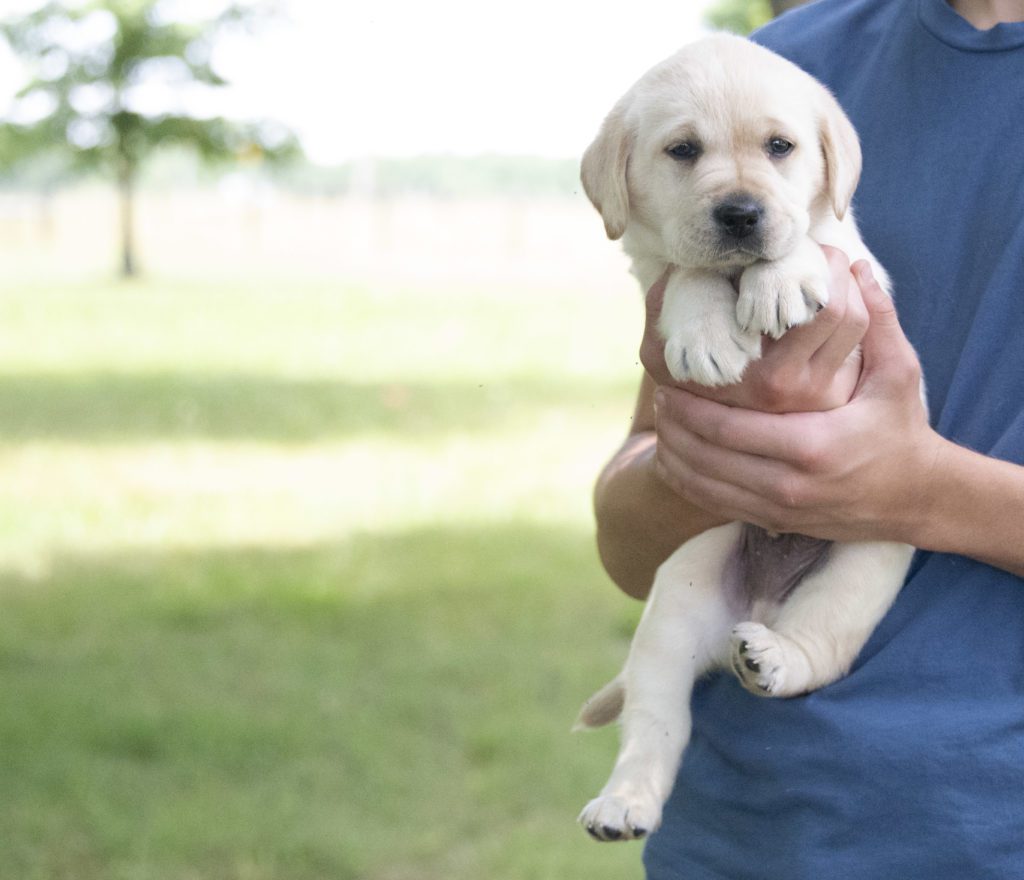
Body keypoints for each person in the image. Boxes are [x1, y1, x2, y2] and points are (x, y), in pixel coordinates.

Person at [592, 0, 1024, 876]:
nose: (738, 184)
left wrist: (914, 491)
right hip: (754, 818)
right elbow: (634, 544)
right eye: (686, 154)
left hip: (988, 820)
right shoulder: (780, 62)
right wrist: (704, 462)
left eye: (775, 153)